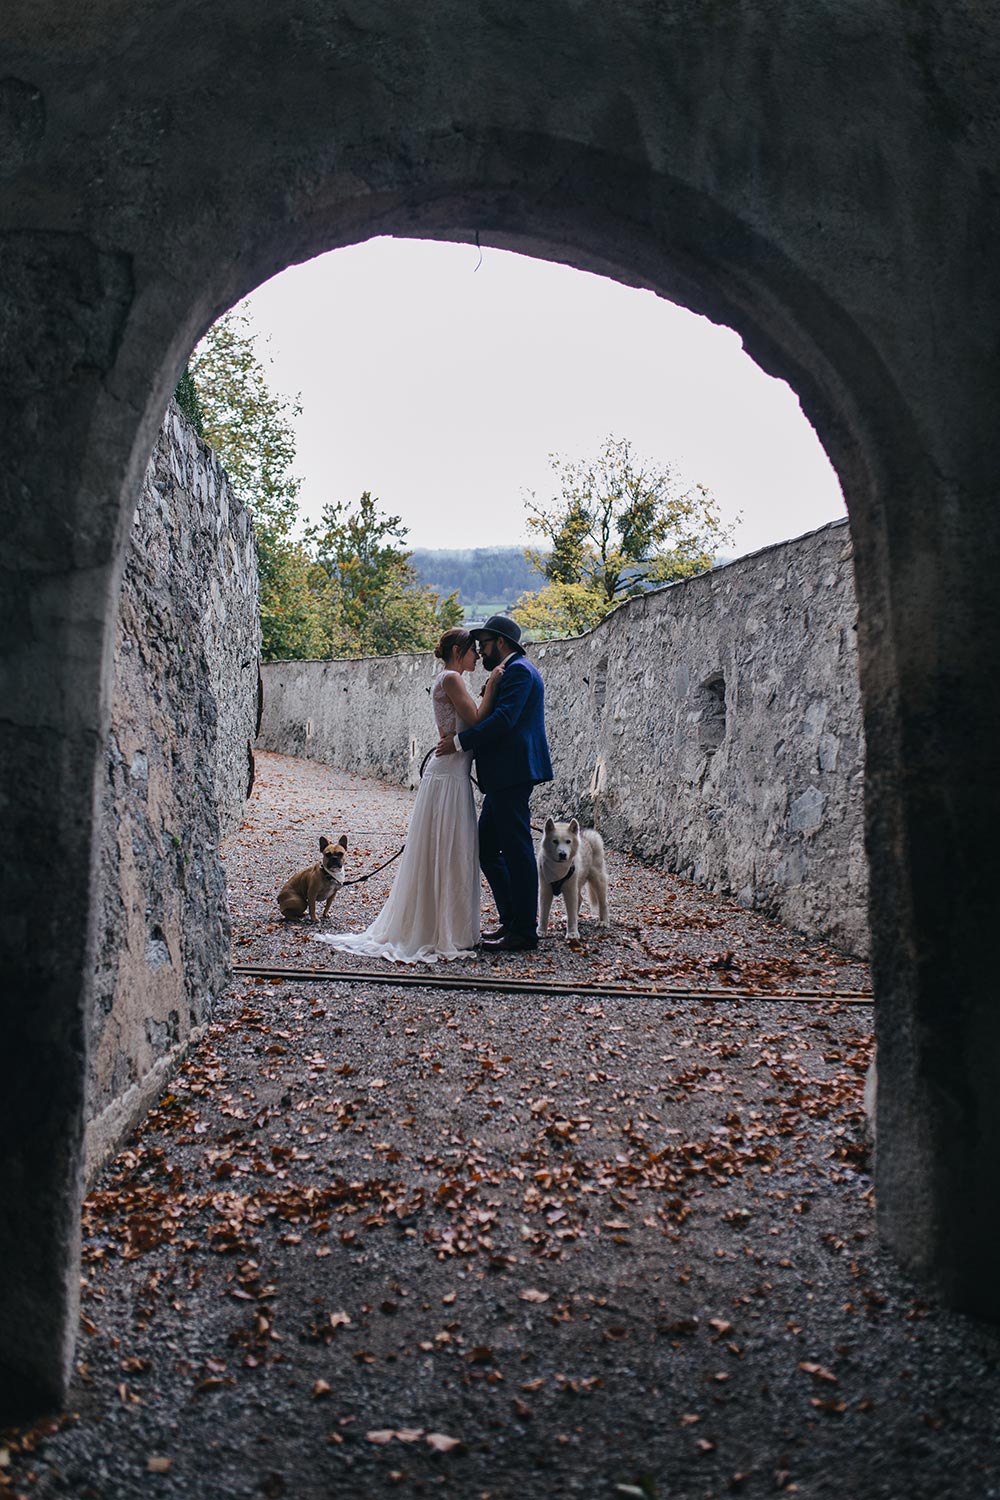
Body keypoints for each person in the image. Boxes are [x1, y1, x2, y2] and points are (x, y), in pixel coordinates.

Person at [314, 627, 504, 963]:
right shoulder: (452, 678)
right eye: (473, 650)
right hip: (448, 780)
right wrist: (492, 687)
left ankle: (444, 925)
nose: (478, 656)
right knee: (447, 851)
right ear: (459, 652)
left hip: (450, 776)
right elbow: (475, 719)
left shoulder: (446, 678)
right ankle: (444, 930)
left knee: (448, 850)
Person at [435, 614, 553, 951]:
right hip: (505, 775)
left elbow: (504, 720)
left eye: (484, 645)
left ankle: (524, 932)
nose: (481, 652)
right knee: (488, 848)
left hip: (512, 773)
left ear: (501, 643)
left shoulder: (518, 671)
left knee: (516, 850)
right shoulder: (514, 672)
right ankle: (512, 921)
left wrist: (459, 743)